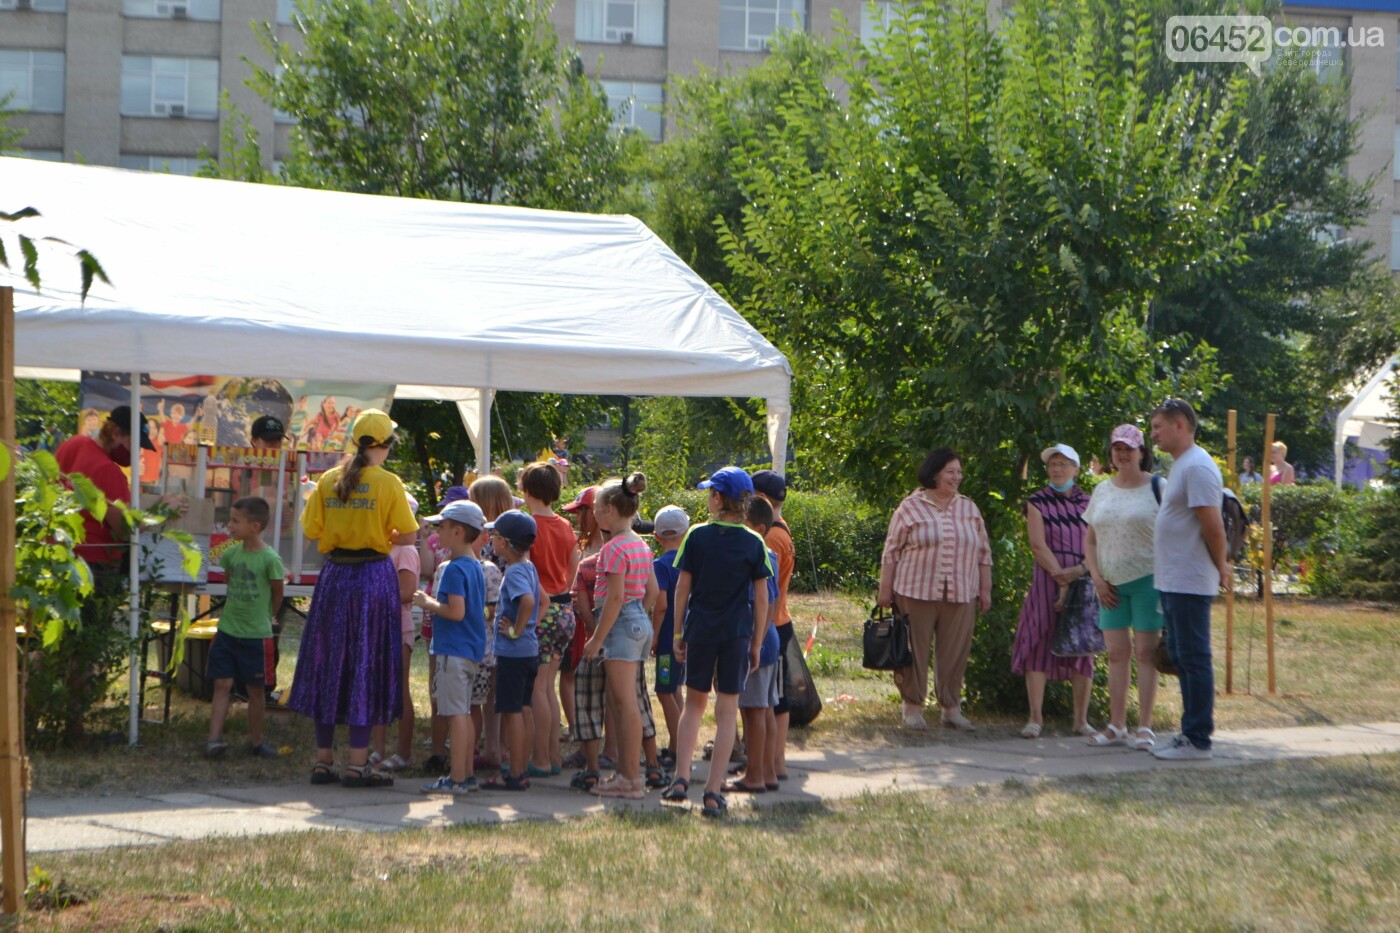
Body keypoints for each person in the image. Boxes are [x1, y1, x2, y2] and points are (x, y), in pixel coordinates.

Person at [287, 409, 416, 789]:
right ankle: (359, 764)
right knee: (367, 663)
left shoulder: (329, 479)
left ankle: (323, 760)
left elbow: (312, 529)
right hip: (373, 578)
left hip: (335, 577)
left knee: (327, 661)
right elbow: (408, 537)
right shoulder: (389, 483)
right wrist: (378, 532)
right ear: (386, 446)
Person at [664, 467, 772, 819]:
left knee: (693, 704)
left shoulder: (696, 536)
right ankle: (712, 791)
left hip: (701, 629)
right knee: (727, 711)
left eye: (710, 492)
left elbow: (683, 588)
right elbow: (762, 597)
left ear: (718, 498)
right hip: (737, 633)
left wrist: (678, 632)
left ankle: (681, 778)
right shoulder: (754, 541)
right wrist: (756, 643)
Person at [877, 448, 992, 732]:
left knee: (954, 652)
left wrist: (986, 590)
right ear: (935, 473)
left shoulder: (969, 508)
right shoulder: (910, 507)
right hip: (915, 591)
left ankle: (951, 709)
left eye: (959, 472)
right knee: (915, 651)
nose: (957, 477)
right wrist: (885, 590)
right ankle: (912, 707)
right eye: (951, 472)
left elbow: (984, 553)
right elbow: (891, 551)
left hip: (962, 592)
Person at [1150, 399, 1229, 760]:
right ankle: (1188, 733)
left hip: (1190, 579)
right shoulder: (1182, 465)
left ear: (1179, 424)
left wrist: (1222, 566)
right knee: (1180, 656)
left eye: (1157, 428)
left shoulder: (1198, 466)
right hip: (1173, 579)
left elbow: (1212, 526)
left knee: (1194, 657)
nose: (1153, 436)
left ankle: (1198, 739)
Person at [1082, 426, 1162, 750]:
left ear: (1142, 452)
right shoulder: (1102, 489)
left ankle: (1145, 726)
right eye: (1117, 448)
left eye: (1129, 448)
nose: (1122, 453)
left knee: (1145, 653)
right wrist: (1097, 578)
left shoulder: (1159, 487)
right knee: (1116, 654)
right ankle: (1116, 725)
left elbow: (1176, 531)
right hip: (1109, 585)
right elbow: (1090, 540)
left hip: (1148, 581)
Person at [582, 473, 660, 800]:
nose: (594, 512)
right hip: (636, 620)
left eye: (597, 506)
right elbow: (653, 591)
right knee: (622, 701)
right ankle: (627, 775)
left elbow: (613, 598)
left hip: (619, 624)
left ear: (610, 510)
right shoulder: (640, 544)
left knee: (626, 705)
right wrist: (638, 618)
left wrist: (597, 639)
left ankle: (630, 779)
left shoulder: (613, 548)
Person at [1012, 443, 1095, 739]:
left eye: (1064, 463)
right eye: (1052, 464)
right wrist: (1061, 578)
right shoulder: (1036, 502)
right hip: (1048, 578)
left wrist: (1080, 571)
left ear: (1076, 468)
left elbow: (1098, 542)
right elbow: (1037, 544)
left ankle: (1080, 720)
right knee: (1038, 641)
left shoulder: (1090, 501)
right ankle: (1035, 718)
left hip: (1084, 579)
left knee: (1083, 646)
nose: (1057, 469)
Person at [414, 499, 489, 793]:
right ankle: (465, 774)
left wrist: (426, 601)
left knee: (455, 714)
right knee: (465, 712)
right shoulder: (475, 566)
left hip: (453, 652)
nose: (437, 532)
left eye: (441, 527)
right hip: (469, 651)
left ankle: (457, 778)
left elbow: (455, 612)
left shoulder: (454, 569)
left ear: (458, 532)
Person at [205, 497, 285, 759]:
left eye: (235, 521)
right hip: (228, 631)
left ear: (255, 526)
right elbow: (229, 583)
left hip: (256, 637)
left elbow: (277, 593)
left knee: (255, 690)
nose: (229, 526)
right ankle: (214, 740)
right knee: (221, 684)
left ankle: (256, 742)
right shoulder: (230, 554)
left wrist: (266, 617)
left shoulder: (270, 559)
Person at [518, 462, 579, 778]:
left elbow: (525, 570)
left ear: (527, 491)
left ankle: (540, 757)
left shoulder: (527, 527)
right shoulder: (565, 526)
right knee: (549, 687)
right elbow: (573, 564)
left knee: (537, 689)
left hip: (542, 612)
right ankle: (553, 755)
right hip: (564, 610)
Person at [725, 496, 782, 795]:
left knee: (753, 712)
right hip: (767, 638)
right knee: (764, 709)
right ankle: (768, 772)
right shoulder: (769, 554)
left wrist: (755, 640)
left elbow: (768, 601)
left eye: (743, 523)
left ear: (758, 528)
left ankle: (755, 775)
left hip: (756, 640)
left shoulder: (758, 555)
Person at [482, 510, 542, 791]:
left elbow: (529, 601)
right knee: (524, 709)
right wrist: (530, 628)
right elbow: (546, 600)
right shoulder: (528, 566)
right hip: (528, 651)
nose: (491, 539)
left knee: (512, 711)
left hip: (514, 652)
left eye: (493, 536)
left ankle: (515, 772)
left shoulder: (516, 570)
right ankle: (522, 768)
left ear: (504, 542)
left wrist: (516, 630)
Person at [55, 405, 156, 568]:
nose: (136, 452)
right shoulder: (107, 470)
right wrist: (162, 511)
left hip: (56, 548)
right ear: (115, 433)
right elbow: (126, 527)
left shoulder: (73, 443)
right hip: (91, 561)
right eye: (134, 444)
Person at [371, 494, 422, 771]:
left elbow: (407, 592)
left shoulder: (406, 552)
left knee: (400, 689)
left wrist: (374, 596)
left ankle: (403, 751)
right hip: (380, 626)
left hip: (397, 627)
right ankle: (378, 749)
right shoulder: (387, 549)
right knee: (379, 688)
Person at [750, 469, 795, 781]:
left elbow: (768, 588)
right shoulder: (780, 528)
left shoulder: (772, 538)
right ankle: (769, 761)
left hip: (772, 624)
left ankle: (774, 763)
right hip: (778, 622)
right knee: (774, 699)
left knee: (772, 701)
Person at [649, 505, 690, 769]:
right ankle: (680, 744)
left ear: (656, 536)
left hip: (666, 640)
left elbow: (661, 604)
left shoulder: (660, 565)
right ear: (686, 534)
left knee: (664, 691)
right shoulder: (690, 562)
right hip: (686, 635)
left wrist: (654, 636)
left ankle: (677, 749)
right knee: (675, 689)